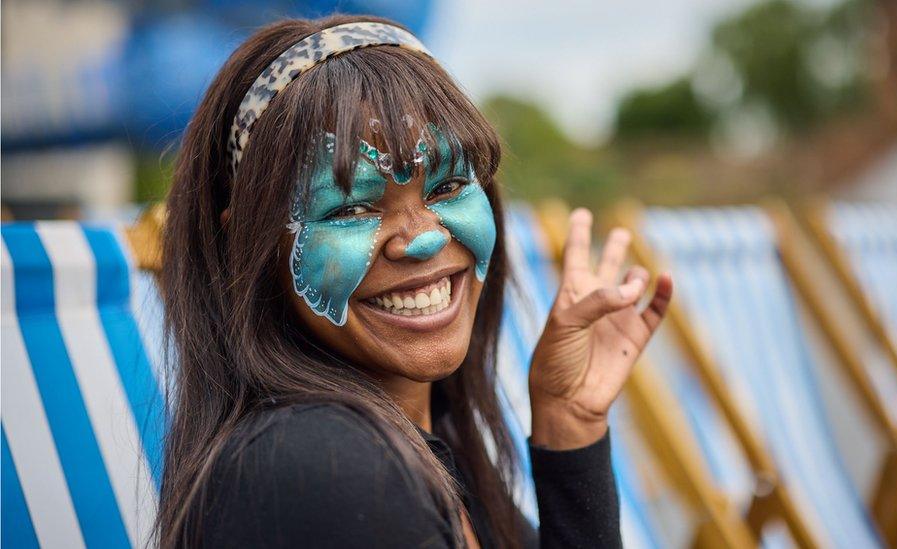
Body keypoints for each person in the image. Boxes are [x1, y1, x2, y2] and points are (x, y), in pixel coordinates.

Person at [157, 14, 672, 548]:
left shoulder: (432, 452)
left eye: (449, 185)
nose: (423, 238)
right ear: (250, 243)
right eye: (353, 207)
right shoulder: (322, 468)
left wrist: (568, 426)